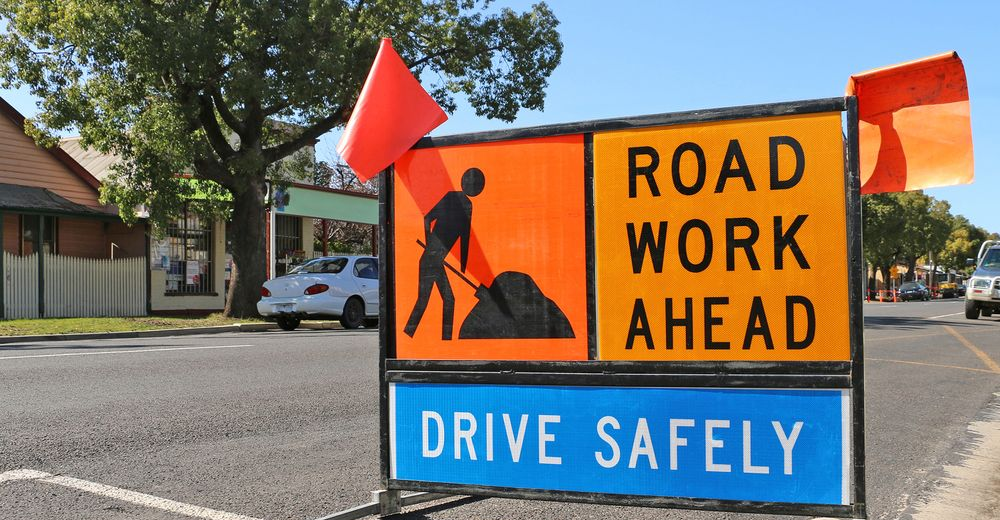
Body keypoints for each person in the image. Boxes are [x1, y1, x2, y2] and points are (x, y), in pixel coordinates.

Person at [403, 167, 485, 340]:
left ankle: (439, 338)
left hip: (436, 260)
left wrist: (464, 264)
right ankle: (412, 335)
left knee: (446, 300)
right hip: (430, 259)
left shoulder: (468, 205)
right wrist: (429, 244)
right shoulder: (451, 197)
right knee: (428, 300)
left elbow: (465, 236)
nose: (472, 186)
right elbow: (427, 218)